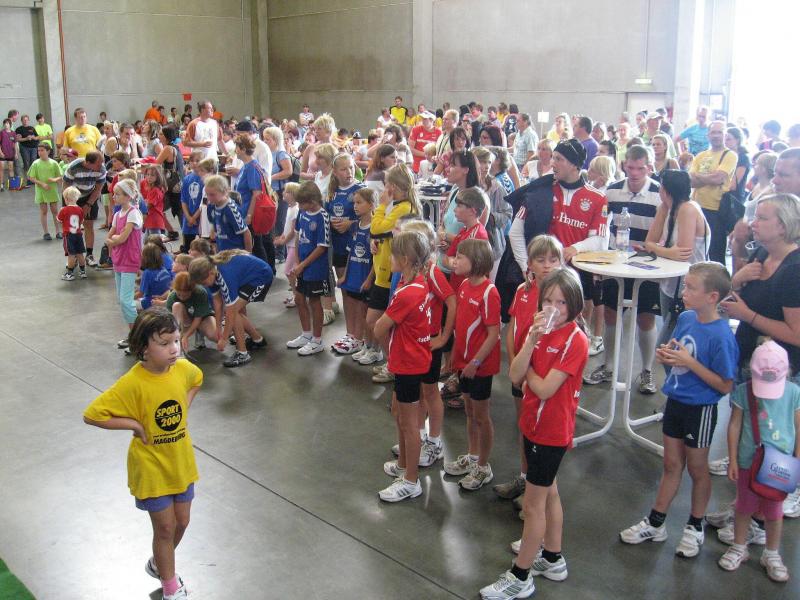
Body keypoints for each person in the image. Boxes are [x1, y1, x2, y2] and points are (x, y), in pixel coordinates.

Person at [480, 268, 588, 599]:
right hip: (532, 424)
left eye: (562, 303)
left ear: (574, 305)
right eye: (548, 301)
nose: (554, 308)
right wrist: (530, 342)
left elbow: (543, 389)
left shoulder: (575, 340)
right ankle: (552, 558)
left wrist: (528, 374)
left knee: (532, 506)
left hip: (551, 432)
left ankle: (521, 575)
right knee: (549, 492)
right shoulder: (537, 330)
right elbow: (515, 376)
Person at [620, 262, 738, 559]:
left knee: (697, 468)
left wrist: (689, 362)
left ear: (712, 296)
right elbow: (678, 353)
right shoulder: (686, 318)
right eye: (685, 286)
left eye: (691, 288)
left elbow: (725, 385)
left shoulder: (722, 335)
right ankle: (656, 522)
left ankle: (694, 526)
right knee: (671, 464)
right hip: (676, 401)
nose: (684, 292)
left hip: (700, 409)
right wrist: (668, 357)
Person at [83, 307, 201, 600]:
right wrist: (134, 424)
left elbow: (197, 379)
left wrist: (184, 406)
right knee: (165, 528)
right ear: (144, 348)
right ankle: (171, 587)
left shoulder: (183, 370)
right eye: (164, 343)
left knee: (182, 521)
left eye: (176, 341)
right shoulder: (133, 382)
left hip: (180, 462)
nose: (174, 349)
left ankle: (158, 563)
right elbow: (93, 414)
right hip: (151, 468)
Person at [716, 341, 798, 582]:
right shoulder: (744, 391)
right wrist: (732, 459)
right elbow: (734, 424)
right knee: (744, 506)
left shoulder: (793, 393)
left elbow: (798, 426)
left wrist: (797, 459)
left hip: (780, 465)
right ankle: (739, 547)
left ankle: (771, 553)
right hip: (747, 461)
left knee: (774, 510)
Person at [584, 145, 662, 393]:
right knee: (610, 313)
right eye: (631, 167)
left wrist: (653, 248)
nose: (635, 173)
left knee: (646, 317)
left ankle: (647, 371)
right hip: (615, 263)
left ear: (649, 168)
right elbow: (601, 226)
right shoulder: (612, 191)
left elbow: (664, 233)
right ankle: (608, 366)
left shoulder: (659, 194)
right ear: (624, 166)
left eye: (641, 168)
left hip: (648, 266)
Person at [494, 235, 563, 503]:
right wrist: (515, 363)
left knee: (540, 434)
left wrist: (530, 374)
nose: (547, 265)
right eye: (540, 260)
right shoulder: (523, 291)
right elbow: (512, 330)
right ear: (530, 263)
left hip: (541, 377)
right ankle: (524, 478)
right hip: (521, 371)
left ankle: (537, 490)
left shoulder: (561, 300)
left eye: (553, 260)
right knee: (524, 426)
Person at [375, 230, 432, 502]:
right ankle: (402, 465)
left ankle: (411, 480)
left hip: (409, 363)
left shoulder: (408, 292)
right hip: (408, 360)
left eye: (393, 254)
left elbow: (379, 328)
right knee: (399, 413)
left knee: (410, 425)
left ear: (405, 259)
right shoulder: (414, 282)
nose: (390, 258)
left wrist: (389, 353)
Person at [443, 239, 501, 490]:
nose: (454, 261)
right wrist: (457, 359)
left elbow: (493, 334)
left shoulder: (489, 292)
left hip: (480, 366)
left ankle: (483, 467)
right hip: (464, 363)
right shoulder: (464, 285)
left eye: (460, 257)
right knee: (469, 411)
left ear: (476, 261)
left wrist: (476, 362)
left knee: (481, 415)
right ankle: (473, 455)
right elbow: (461, 326)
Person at [361, 165, 421, 369]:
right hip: (382, 271)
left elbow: (376, 227)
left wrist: (381, 205)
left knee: (377, 322)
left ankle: (392, 362)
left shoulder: (403, 209)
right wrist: (375, 241)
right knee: (374, 321)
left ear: (393, 186)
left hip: (390, 274)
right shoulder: (397, 206)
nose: (384, 187)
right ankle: (389, 359)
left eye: (386, 183)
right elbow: (380, 233)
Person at [643, 169, 709, 346]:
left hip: (688, 285)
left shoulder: (688, 209)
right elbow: (649, 242)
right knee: (668, 339)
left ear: (665, 190)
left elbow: (682, 254)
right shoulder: (666, 208)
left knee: (670, 343)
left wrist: (661, 250)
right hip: (670, 283)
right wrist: (666, 251)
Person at [189, 250, 272, 367]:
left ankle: (243, 353)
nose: (205, 285)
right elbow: (217, 302)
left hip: (261, 276)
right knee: (232, 311)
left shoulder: (224, 275)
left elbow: (231, 312)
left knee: (233, 312)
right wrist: (218, 328)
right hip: (248, 276)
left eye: (204, 282)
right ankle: (257, 340)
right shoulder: (211, 271)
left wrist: (224, 339)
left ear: (210, 273)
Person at [286, 181, 330, 356]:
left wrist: (303, 265)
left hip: (316, 268)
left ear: (311, 201)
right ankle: (306, 334)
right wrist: (297, 262)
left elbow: (322, 247)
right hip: (302, 266)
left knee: (314, 301)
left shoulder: (322, 217)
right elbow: (298, 237)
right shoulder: (302, 213)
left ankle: (317, 340)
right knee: (299, 299)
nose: (299, 206)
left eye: (301, 203)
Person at [326, 153, 365, 351]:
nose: (349, 172)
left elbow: (372, 217)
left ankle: (360, 336)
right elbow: (325, 214)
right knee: (345, 291)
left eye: (351, 167)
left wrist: (351, 223)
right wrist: (331, 222)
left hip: (359, 252)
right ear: (335, 172)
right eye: (343, 169)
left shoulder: (361, 189)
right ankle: (350, 334)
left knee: (358, 295)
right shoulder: (331, 192)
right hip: (339, 248)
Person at [689, 120, 738, 264]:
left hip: (716, 210)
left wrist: (699, 176)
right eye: (713, 132)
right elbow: (691, 181)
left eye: (719, 132)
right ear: (708, 135)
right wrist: (709, 177)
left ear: (725, 135)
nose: (716, 135)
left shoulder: (730, 155)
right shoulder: (700, 156)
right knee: (696, 251)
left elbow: (718, 178)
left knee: (715, 254)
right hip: (697, 207)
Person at [335, 187, 376, 356]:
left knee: (363, 309)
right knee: (352, 304)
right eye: (354, 203)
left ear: (371, 204)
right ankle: (353, 336)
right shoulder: (354, 227)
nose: (355, 206)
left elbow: (377, 259)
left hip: (365, 277)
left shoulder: (375, 229)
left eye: (359, 203)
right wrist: (345, 275)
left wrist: (369, 279)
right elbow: (351, 252)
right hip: (353, 275)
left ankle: (361, 340)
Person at [106, 179, 144, 348]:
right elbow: (110, 237)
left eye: (118, 194)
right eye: (114, 194)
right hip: (119, 259)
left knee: (126, 300)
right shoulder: (117, 215)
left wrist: (114, 239)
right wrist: (114, 239)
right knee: (123, 300)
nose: (114, 197)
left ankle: (138, 335)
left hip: (130, 260)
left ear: (128, 196)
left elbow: (121, 238)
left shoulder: (133, 213)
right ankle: (134, 335)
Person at [232, 133, 274, 268]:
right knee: (256, 244)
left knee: (256, 245)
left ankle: (264, 271)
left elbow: (256, 194)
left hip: (249, 213)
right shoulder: (247, 165)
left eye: (237, 147)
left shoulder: (251, 167)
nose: (235, 150)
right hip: (243, 210)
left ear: (243, 149)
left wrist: (249, 215)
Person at [62, 150, 107, 266]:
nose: (101, 166)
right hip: (72, 195)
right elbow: (65, 187)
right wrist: (72, 206)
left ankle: (89, 255)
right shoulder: (73, 167)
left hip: (89, 195)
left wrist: (88, 204)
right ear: (88, 163)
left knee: (89, 224)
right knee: (72, 227)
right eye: (98, 164)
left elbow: (98, 189)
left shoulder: (101, 170)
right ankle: (74, 256)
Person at [441, 187, 490, 290]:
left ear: (472, 211)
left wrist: (452, 261)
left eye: (459, 206)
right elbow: (445, 259)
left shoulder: (477, 236)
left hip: (469, 291)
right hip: (457, 287)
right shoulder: (464, 230)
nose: (455, 209)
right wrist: (455, 261)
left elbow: (466, 267)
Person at [206, 175, 253, 253]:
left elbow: (246, 233)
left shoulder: (231, 209)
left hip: (236, 253)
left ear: (224, 192)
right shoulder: (211, 206)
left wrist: (248, 255)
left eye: (212, 195)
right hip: (222, 252)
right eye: (207, 194)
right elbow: (216, 231)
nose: (209, 198)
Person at [27, 143, 62, 240]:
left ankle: (58, 231)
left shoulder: (54, 163)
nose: (40, 152)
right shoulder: (35, 163)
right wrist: (42, 184)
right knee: (44, 211)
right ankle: (46, 232)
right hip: (41, 190)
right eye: (38, 150)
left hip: (52, 189)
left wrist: (54, 180)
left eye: (42, 150)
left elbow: (60, 175)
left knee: (55, 210)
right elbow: (31, 177)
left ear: (48, 151)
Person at [274, 182, 301, 306]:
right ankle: (297, 294)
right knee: (292, 271)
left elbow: (294, 230)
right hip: (289, 245)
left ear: (293, 194)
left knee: (289, 271)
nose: (283, 193)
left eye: (286, 191)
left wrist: (283, 241)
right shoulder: (290, 208)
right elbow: (287, 227)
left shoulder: (296, 210)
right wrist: (282, 237)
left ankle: (296, 295)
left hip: (294, 246)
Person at [57, 186, 87, 280]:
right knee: (80, 254)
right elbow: (81, 221)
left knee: (71, 255)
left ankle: (70, 274)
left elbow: (59, 220)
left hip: (69, 235)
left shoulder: (64, 210)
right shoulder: (80, 209)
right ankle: (83, 272)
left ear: (66, 199)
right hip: (78, 234)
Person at [179, 151, 205, 252]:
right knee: (188, 248)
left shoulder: (205, 179)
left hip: (201, 218)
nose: (194, 163)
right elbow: (183, 200)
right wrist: (188, 217)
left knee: (202, 248)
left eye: (197, 161)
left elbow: (204, 202)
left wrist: (194, 217)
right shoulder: (186, 179)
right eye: (192, 161)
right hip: (188, 219)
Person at [138, 243, 174, 310]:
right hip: (164, 299)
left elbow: (140, 293)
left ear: (146, 258)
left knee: (130, 304)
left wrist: (129, 297)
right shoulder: (163, 268)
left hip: (151, 302)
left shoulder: (147, 272)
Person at [15, 114, 39, 185]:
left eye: (26, 120)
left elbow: (37, 137)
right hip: (24, 147)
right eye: (24, 120)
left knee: (33, 162)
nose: (25, 121)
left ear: (28, 120)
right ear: (21, 121)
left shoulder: (32, 128)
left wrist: (33, 137)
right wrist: (26, 138)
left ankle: (33, 179)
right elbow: (18, 139)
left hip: (33, 147)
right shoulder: (19, 129)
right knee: (26, 163)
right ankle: (28, 179)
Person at [0, 118, 17, 190]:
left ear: (10, 124)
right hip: (3, 154)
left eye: (7, 123)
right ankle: (1, 185)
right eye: (5, 123)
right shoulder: (2, 133)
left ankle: (12, 185)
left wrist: (16, 153)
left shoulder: (13, 133)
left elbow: (15, 144)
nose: (6, 125)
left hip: (11, 154)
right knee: (1, 169)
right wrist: (0, 152)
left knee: (11, 169)